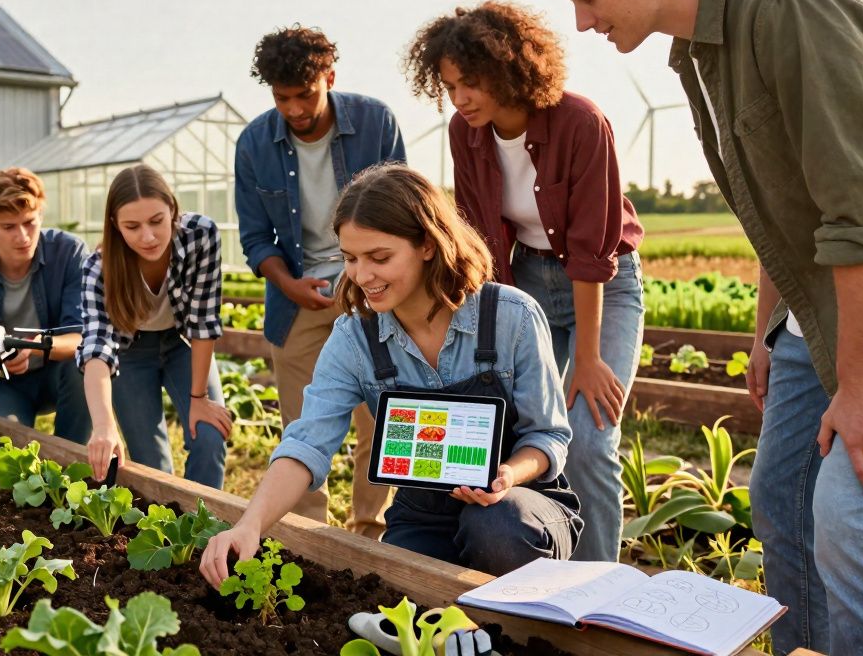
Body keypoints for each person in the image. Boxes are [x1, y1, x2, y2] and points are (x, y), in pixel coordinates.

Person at [527, 0, 863, 651]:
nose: (581, 21)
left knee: (856, 518)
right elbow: (778, 208)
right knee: (781, 502)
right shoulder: (698, 54)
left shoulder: (789, 5)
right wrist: (769, 330)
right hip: (813, 314)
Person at [202, 164, 581, 584]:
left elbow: (547, 436)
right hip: (424, 515)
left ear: (428, 245)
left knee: (496, 526)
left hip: (520, 505)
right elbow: (307, 442)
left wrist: (507, 475)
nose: (362, 276)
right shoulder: (355, 338)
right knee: (397, 586)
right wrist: (249, 524)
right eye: (350, 258)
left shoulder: (511, 316)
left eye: (379, 258)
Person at [404, 1, 646, 562]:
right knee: (523, 429)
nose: (459, 99)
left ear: (509, 70)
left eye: (471, 83)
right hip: (527, 277)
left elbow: (592, 253)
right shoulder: (464, 134)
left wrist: (588, 358)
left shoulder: (581, 122)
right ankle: (534, 560)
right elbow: (480, 241)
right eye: (449, 86)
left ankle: (596, 583)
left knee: (589, 438)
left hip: (605, 285)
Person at [234, 24, 406, 538]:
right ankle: (309, 534)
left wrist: (368, 276)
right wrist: (288, 284)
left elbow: (403, 213)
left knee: (381, 417)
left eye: (304, 95)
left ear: (329, 77)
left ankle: (371, 531)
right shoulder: (254, 144)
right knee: (302, 424)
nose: (294, 109)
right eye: (281, 97)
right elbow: (255, 237)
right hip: (298, 299)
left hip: (373, 289)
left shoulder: (376, 123)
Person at [79, 164, 231, 489]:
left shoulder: (200, 235)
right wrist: (103, 425)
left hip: (183, 344)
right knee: (151, 464)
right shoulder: (98, 268)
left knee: (210, 435)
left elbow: (204, 322)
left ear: (172, 210)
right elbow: (96, 348)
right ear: (115, 225)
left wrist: (199, 398)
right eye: (132, 227)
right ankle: (168, 521)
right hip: (130, 354)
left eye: (157, 221)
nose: (147, 237)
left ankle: (202, 516)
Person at [0, 167, 91, 441]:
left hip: (58, 372)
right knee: (1, 445)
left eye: (30, 222)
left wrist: (34, 347)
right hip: (2, 381)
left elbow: (81, 337)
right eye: (9, 227)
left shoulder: (70, 252)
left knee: (85, 366)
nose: (22, 236)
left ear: (41, 214)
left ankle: (75, 459)